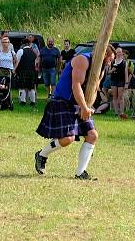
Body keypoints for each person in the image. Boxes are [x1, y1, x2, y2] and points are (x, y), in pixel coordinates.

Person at [34, 44, 116, 180]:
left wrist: (88, 107)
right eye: (109, 59)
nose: (110, 62)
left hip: (81, 103)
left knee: (92, 135)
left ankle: (80, 173)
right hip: (63, 101)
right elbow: (76, 85)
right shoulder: (82, 60)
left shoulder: (101, 69)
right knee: (68, 138)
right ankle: (42, 154)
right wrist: (83, 107)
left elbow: (95, 89)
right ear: (102, 55)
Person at [16, 37, 39, 106]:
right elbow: (35, 62)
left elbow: (17, 61)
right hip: (32, 71)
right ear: (29, 44)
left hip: (23, 71)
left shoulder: (21, 51)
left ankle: (22, 101)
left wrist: (15, 70)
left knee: (22, 86)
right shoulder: (33, 52)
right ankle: (33, 101)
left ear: (23, 44)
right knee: (31, 87)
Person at [109, 47, 129, 119]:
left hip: (121, 81)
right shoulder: (112, 62)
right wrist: (112, 70)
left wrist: (126, 83)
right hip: (113, 80)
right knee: (114, 96)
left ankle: (122, 112)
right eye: (117, 52)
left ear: (122, 53)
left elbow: (126, 73)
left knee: (120, 97)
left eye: (120, 52)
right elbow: (108, 72)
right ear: (115, 53)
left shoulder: (124, 62)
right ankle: (116, 112)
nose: (119, 54)